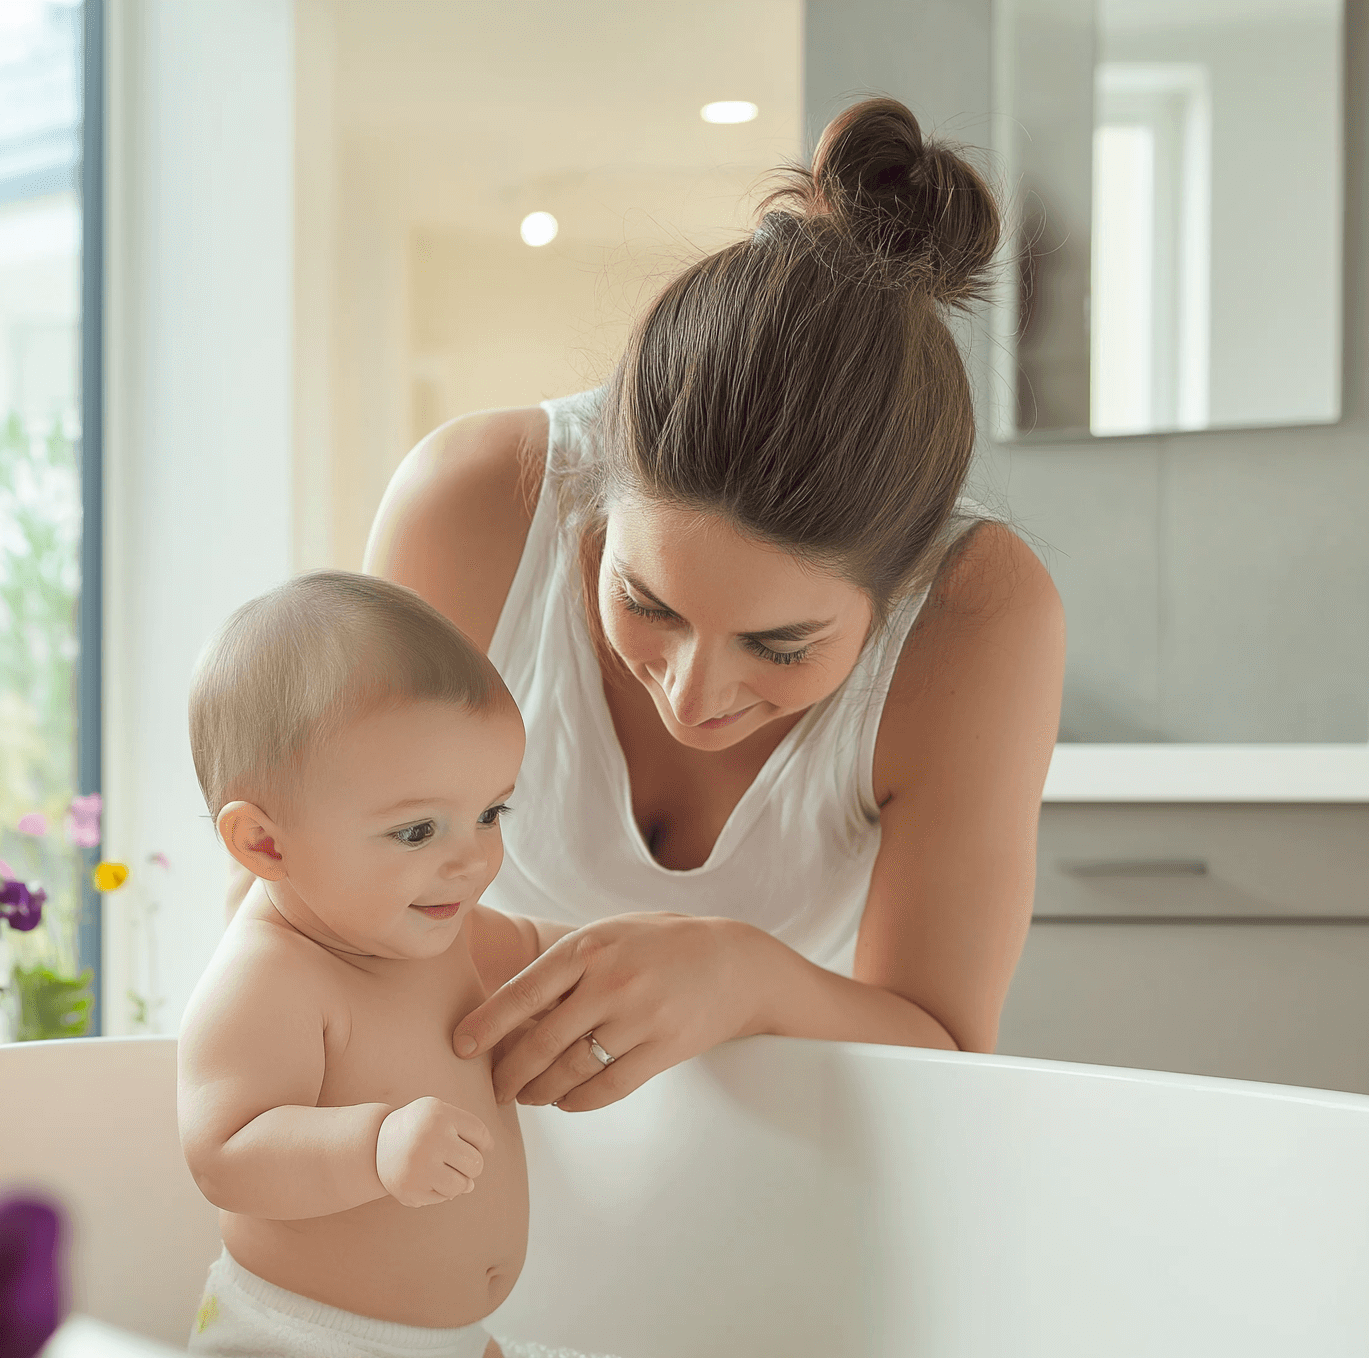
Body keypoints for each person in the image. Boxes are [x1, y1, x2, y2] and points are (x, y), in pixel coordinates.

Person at [363, 98, 1065, 1112]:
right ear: (597, 494)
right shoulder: (469, 506)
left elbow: (945, 1045)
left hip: (795, 1141)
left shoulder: (980, 613)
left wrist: (747, 976)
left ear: (900, 590)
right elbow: (300, 899)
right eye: (645, 601)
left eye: (778, 645)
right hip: (452, 1122)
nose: (692, 698)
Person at [176, 572, 565, 1358]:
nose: (472, 860)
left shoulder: (446, 929)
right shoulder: (271, 978)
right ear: (265, 843)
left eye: (491, 813)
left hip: (445, 1345)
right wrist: (373, 1146)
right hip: (303, 1349)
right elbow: (225, 1154)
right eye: (418, 830)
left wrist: (635, 960)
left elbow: (552, 958)